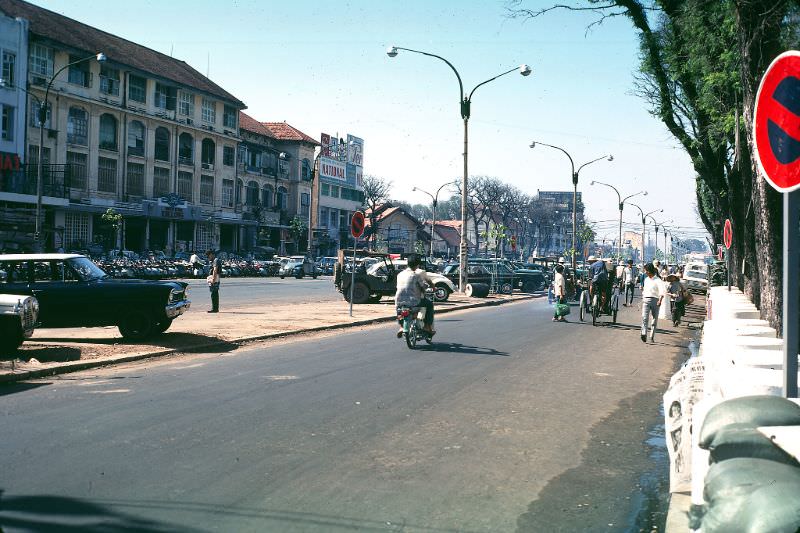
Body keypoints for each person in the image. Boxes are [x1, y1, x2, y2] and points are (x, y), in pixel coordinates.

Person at [395, 254, 435, 337]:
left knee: (400, 312)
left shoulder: (399, 275)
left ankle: (401, 327)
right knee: (429, 304)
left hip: (398, 302)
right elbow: (423, 286)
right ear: (417, 265)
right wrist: (425, 289)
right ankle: (427, 326)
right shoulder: (416, 275)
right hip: (413, 302)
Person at [641, 262, 665, 343]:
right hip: (646, 300)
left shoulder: (658, 280)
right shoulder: (646, 279)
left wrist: (660, 300)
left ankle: (651, 336)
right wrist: (643, 298)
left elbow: (661, 291)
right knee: (644, 318)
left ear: (650, 270)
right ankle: (644, 333)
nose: (645, 272)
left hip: (655, 301)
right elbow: (645, 290)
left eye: (646, 270)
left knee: (654, 319)